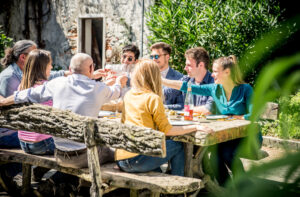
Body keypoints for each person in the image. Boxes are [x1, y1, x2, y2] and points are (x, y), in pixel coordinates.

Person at [0, 53, 128, 194]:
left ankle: (66, 185)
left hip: (59, 154)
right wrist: (118, 82)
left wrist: (5, 101)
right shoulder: (98, 89)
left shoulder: (57, 83)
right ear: (91, 69)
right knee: (116, 152)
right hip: (84, 157)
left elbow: (29, 93)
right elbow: (116, 92)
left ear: (69, 68)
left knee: (92, 146)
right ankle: (90, 190)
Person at [161, 55, 262, 185]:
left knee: (226, 154)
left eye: (215, 71)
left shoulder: (245, 89)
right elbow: (187, 86)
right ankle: (226, 188)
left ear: (227, 72)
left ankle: (244, 187)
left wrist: (237, 117)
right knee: (214, 156)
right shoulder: (215, 89)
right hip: (228, 137)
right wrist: (162, 81)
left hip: (248, 137)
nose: (212, 75)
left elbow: (254, 115)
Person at [115, 59, 211, 176]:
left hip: (121, 159)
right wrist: (196, 126)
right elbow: (168, 130)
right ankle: (179, 189)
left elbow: (123, 122)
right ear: (155, 76)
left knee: (161, 154)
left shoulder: (129, 95)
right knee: (178, 146)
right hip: (136, 160)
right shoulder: (152, 98)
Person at [17, 49, 56, 156]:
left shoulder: (22, 86)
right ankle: (57, 174)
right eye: (50, 64)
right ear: (42, 67)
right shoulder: (46, 88)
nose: (51, 67)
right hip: (42, 144)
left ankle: (39, 173)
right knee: (75, 148)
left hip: (23, 143)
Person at [101, 44, 140, 112]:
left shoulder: (138, 72)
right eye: (124, 56)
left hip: (130, 107)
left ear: (135, 61)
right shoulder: (112, 68)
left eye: (130, 58)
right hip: (112, 107)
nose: (125, 60)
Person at [150, 42, 184, 110]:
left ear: (167, 57)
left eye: (157, 56)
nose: (154, 59)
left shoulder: (179, 78)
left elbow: (182, 105)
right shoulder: (146, 76)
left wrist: (163, 107)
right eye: (151, 57)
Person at [181, 47, 214, 115]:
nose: (185, 68)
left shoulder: (214, 82)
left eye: (189, 65)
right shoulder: (186, 80)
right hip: (189, 122)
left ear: (201, 65)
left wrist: (187, 109)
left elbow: (208, 110)